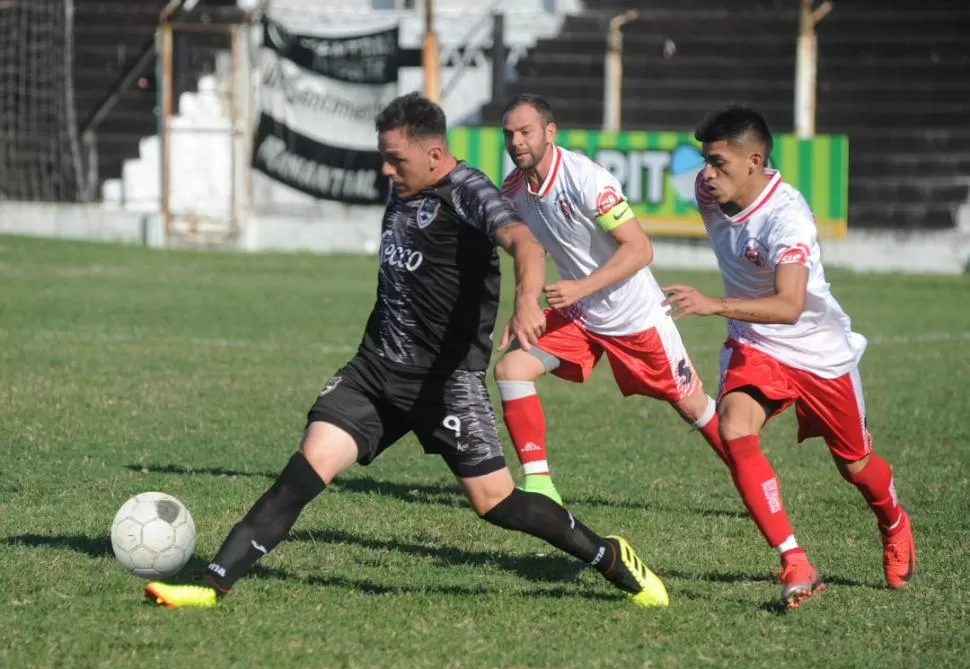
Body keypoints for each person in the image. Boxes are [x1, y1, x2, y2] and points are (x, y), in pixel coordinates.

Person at [144, 92, 668, 609]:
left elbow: (525, 243)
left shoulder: (469, 192)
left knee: (496, 503)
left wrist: (527, 300)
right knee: (302, 473)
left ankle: (607, 555)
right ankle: (211, 585)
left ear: (435, 155)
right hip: (373, 373)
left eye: (397, 159)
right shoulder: (405, 183)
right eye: (384, 158)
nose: (387, 172)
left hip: (445, 384)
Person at [662, 105, 916, 608]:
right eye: (704, 163)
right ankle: (794, 560)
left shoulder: (788, 219)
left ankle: (893, 520)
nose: (707, 176)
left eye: (719, 163)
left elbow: (790, 305)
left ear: (754, 161)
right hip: (755, 345)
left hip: (818, 353)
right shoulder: (707, 193)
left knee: (856, 465)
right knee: (734, 429)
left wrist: (712, 303)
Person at [496, 94, 729, 505]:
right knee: (512, 369)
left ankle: (750, 474)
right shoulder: (515, 189)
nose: (516, 142)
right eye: (509, 133)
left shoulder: (587, 180)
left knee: (693, 407)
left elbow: (640, 249)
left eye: (525, 132)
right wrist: (526, 302)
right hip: (581, 316)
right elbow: (529, 250)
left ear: (550, 133)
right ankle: (540, 486)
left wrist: (580, 287)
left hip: (635, 318)